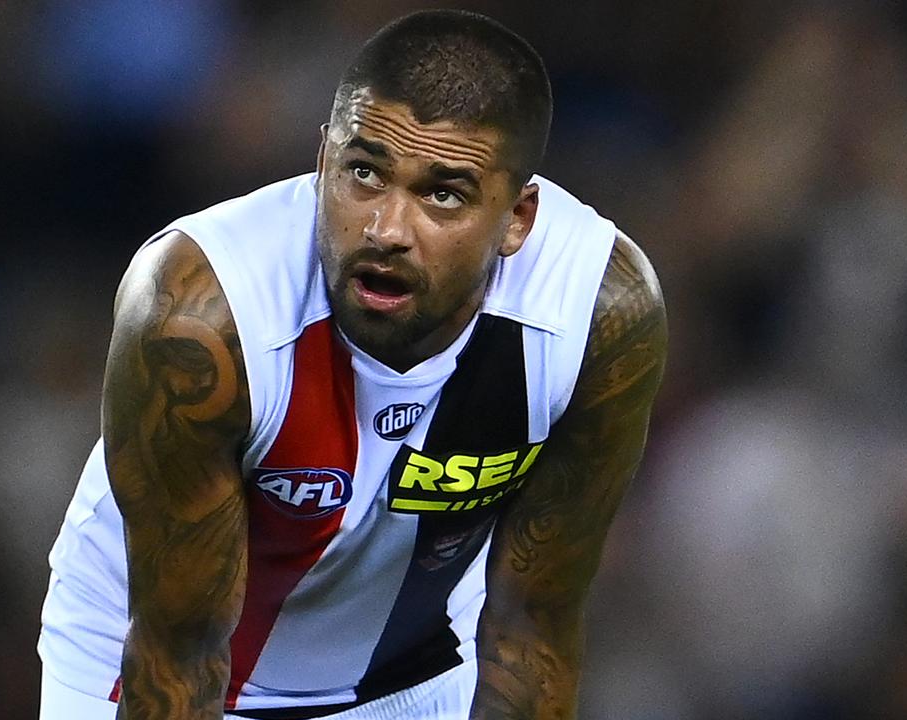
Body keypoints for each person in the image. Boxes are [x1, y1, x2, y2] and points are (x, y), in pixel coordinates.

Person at [38, 9, 667, 720]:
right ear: (321, 161)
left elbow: (534, 625)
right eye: (364, 172)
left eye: (443, 193)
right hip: (148, 660)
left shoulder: (598, 315)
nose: (386, 230)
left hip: (419, 666)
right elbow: (181, 653)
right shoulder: (201, 318)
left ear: (519, 217)